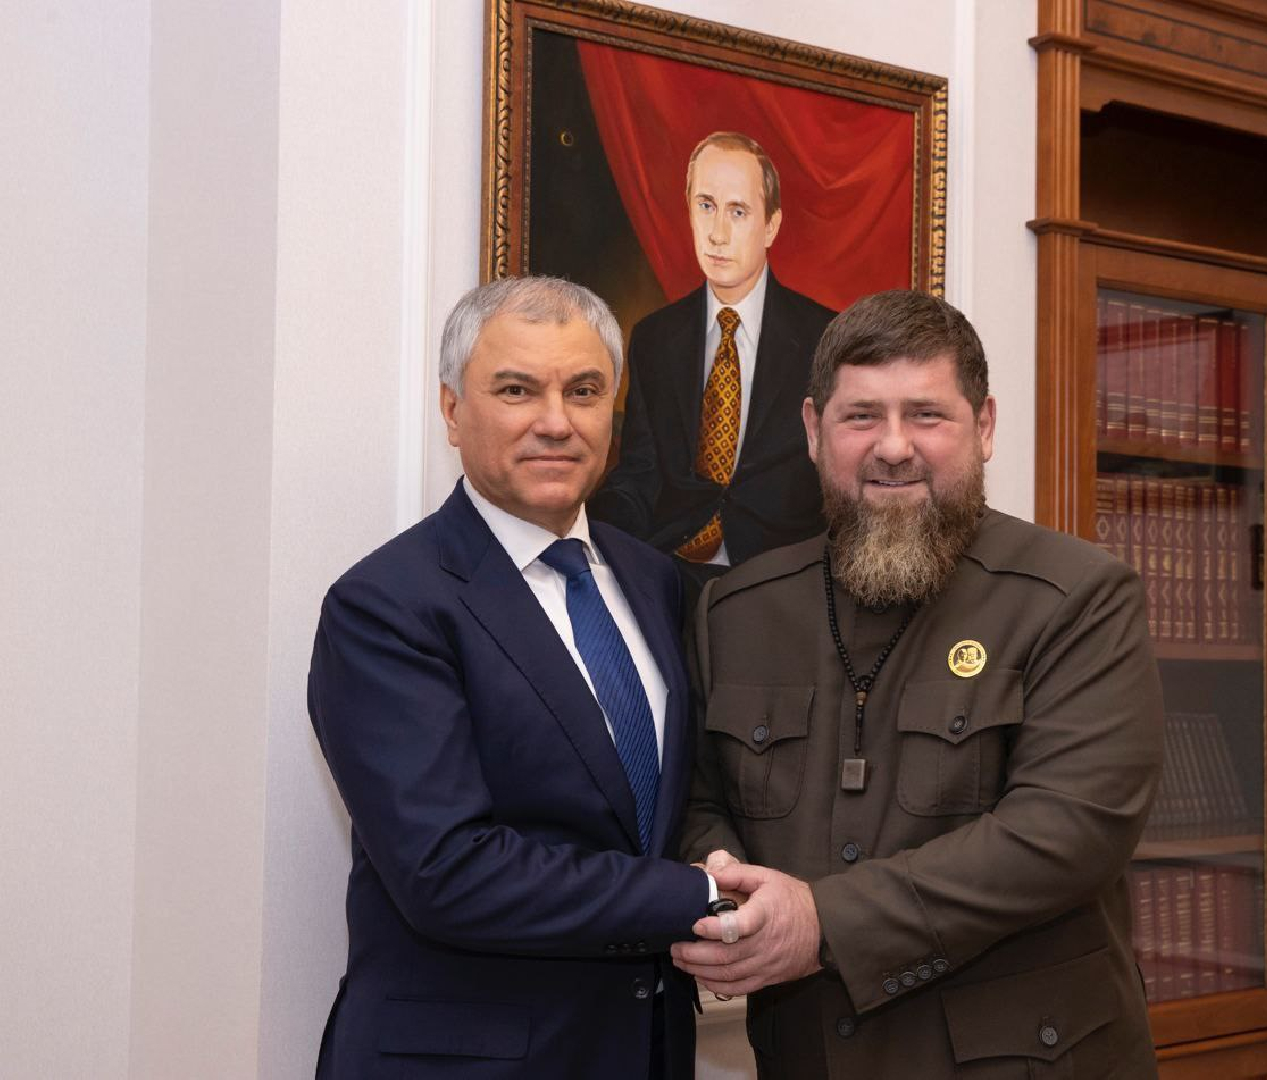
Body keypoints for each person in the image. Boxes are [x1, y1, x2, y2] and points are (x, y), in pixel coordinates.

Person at [671, 290, 1164, 1078]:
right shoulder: (734, 611)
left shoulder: (1078, 597)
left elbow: (1067, 833)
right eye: (861, 416)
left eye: (927, 415)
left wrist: (822, 922)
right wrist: (728, 889)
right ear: (813, 431)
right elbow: (700, 801)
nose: (894, 447)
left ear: (985, 426)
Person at [307, 277, 733, 1079]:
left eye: (584, 391)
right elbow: (449, 872)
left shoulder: (655, 581)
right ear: (451, 410)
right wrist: (701, 898)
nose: (556, 421)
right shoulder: (387, 606)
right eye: (516, 390)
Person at [589, 131, 835, 579]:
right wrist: (583, 532)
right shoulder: (654, 338)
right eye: (706, 206)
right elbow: (640, 474)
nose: (717, 233)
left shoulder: (827, 337)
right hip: (671, 567)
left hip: (784, 578)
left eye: (738, 212)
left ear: (771, 226)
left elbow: (841, 481)